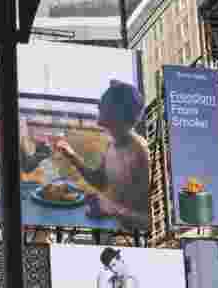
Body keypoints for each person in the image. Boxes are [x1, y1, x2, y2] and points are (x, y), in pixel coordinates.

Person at [55, 79, 149, 231]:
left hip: (131, 241)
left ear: (116, 111)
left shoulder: (141, 151)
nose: (98, 105)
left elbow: (151, 220)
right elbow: (99, 181)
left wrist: (110, 209)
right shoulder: (113, 143)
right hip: (113, 230)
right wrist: (71, 156)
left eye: (103, 102)